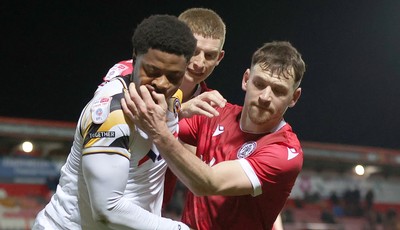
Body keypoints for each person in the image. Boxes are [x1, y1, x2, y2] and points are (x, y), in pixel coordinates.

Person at [32, 14, 197, 230]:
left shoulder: (171, 97)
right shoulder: (113, 115)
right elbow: (107, 210)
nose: (161, 83)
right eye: (152, 71)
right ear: (135, 58)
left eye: (174, 76)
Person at [122, 41, 306, 229]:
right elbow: (161, 121)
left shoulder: (285, 151)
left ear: (294, 97)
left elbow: (207, 183)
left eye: (278, 90)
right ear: (246, 80)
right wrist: (181, 109)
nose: (265, 97)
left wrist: (158, 130)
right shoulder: (214, 113)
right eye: (259, 84)